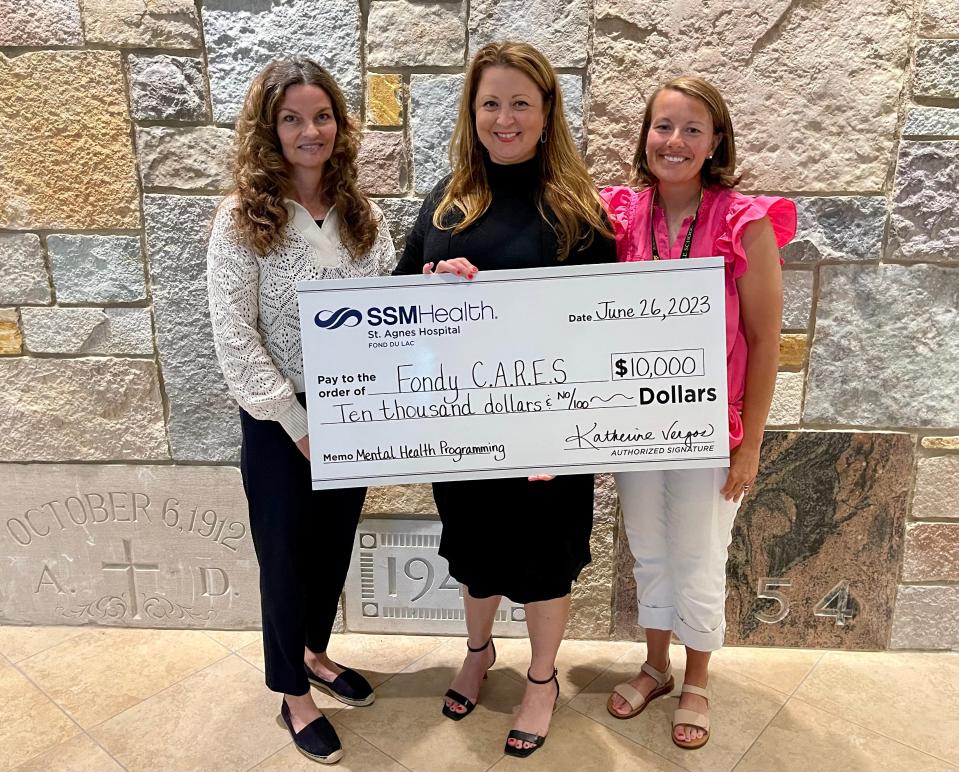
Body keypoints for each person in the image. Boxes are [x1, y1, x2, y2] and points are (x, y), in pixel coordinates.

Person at [393, 41, 616, 758]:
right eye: (490, 102)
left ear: (547, 113)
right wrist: (430, 281)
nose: (504, 116)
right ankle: (480, 650)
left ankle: (542, 680)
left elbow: (602, 330)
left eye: (521, 101)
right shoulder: (447, 201)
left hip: (551, 437)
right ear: (471, 112)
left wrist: (572, 434)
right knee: (476, 553)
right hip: (463, 430)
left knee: (545, 562)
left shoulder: (581, 210)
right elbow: (394, 309)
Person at [207, 58, 395, 765]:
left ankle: (314, 652)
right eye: (291, 119)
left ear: (339, 126)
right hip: (278, 422)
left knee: (330, 549)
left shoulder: (362, 214)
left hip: (353, 415)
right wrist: (297, 423)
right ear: (269, 128)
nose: (308, 131)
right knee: (284, 558)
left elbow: (386, 315)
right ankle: (292, 693)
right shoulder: (239, 218)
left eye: (321, 116)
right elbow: (235, 333)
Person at [599, 76, 796, 750]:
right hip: (633, 421)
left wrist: (751, 447)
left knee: (698, 555)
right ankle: (654, 665)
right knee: (648, 551)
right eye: (662, 127)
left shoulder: (745, 221)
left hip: (710, 428)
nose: (674, 141)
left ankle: (697, 678)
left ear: (715, 142)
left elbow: (767, 341)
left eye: (690, 129)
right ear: (644, 136)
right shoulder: (616, 213)